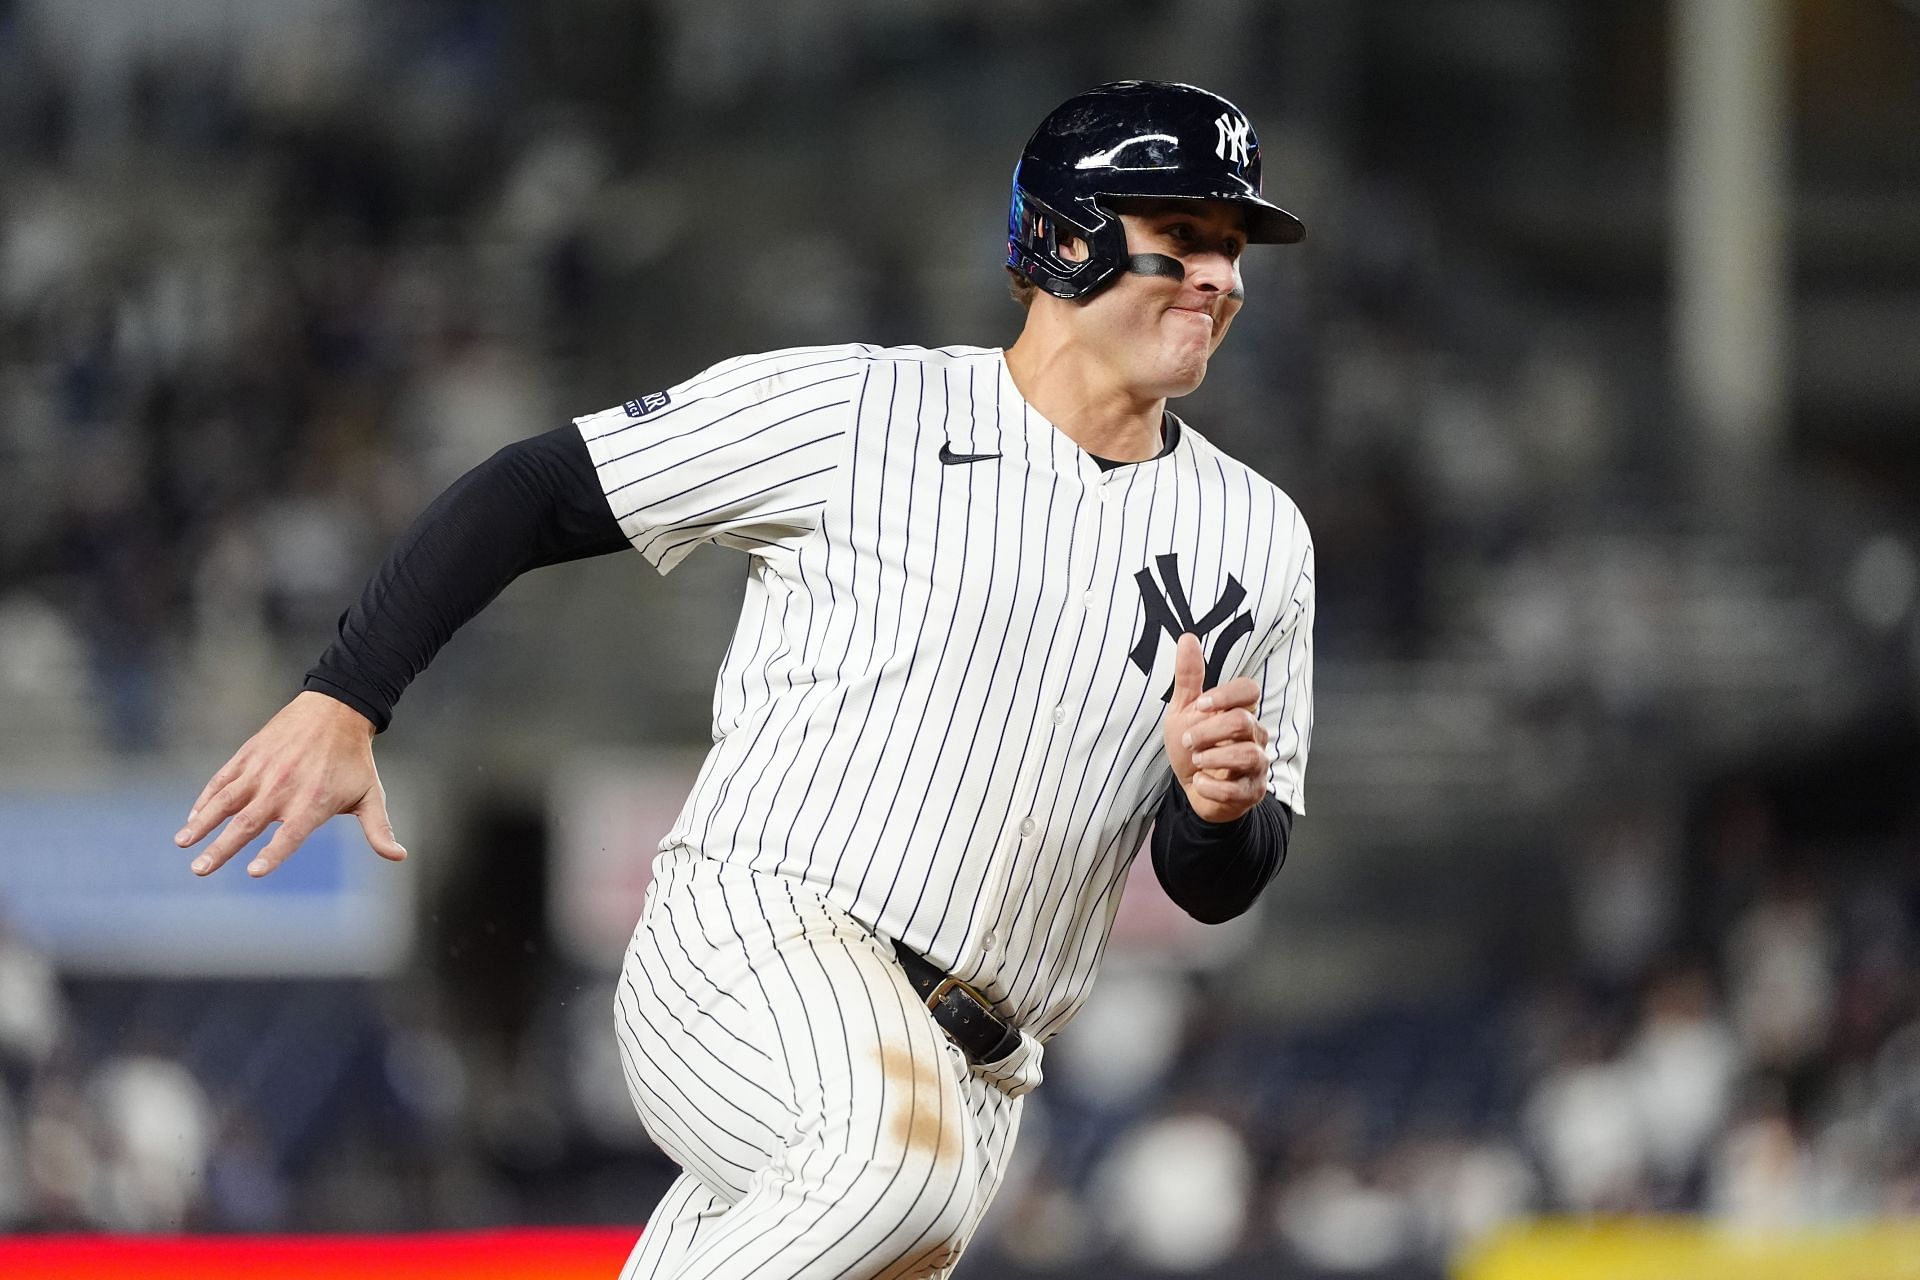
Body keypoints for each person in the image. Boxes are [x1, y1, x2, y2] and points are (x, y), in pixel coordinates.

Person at [175, 80, 1316, 1280]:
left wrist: (1216, 809)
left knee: (871, 1188)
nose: (1221, 278)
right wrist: (346, 693)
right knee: (887, 1173)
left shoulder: (1259, 534)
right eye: (1183, 238)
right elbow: (540, 486)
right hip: (757, 943)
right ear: (1068, 234)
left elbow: (1219, 884)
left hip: (982, 1066)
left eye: (1232, 250)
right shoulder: (866, 408)